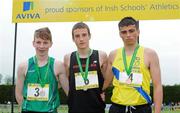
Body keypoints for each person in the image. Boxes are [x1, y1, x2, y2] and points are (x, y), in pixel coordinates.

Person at [105, 17, 163, 113]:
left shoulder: (150, 54)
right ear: (120, 34)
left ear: (138, 32)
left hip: (141, 108)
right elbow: (106, 82)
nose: (128, 35)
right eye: (124, 32)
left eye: (131, 31)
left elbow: (157, 86)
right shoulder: (113, 55)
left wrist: (157, 111)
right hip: (117, 108)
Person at [15, 27, 69, 113]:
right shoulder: (23, 66)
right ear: (33, 43)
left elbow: (68, 92)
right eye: (38, 42)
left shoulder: (58, 65)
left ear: (51, 44)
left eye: (45, 43)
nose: (41, 46)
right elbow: (18, 95)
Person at [64, 22, 108, 113]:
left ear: (89, 36)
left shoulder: (101, 55)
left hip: (97, 108)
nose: (81, 39)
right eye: (77, 36)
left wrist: (103, 92)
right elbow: (67, 82)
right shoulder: (68, 58)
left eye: (84, 35)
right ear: (73, 39)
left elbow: (107, 80)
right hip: (75, 108)